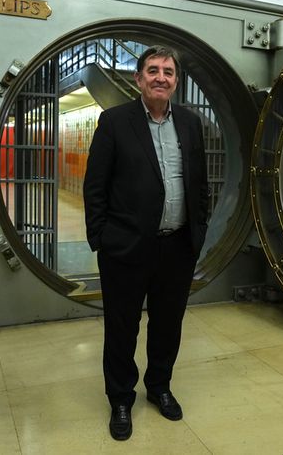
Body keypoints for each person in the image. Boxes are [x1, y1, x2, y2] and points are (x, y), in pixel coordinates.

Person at [83, 45, 209, 441]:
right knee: (122, 327)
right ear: (138, 78)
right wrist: (100, 238)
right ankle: (121, 398)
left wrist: (198, 231)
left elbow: (200, 183)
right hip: (125, 247)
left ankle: (159, 387)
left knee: (168, 324)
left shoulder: (190, 123)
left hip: (177, 246)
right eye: (153, 70)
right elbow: (95, 185)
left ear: (176, 81)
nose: (160, 77)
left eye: (168, 72)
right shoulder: (115, 121)